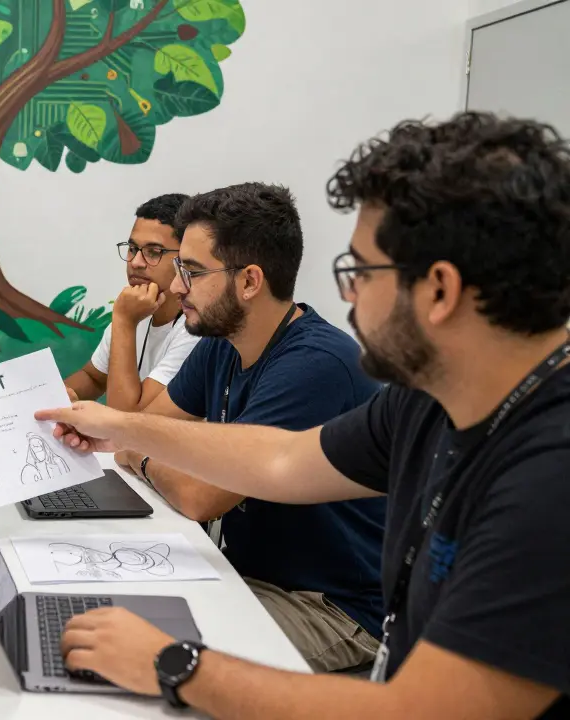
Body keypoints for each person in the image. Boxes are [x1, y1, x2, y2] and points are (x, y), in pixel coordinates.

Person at [40, 113, 570, 718]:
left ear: (440, 290)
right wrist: (121, 427)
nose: (347, 295)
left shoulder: (548, 478)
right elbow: (284, 458)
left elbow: (421, 712)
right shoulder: (426, 400)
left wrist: (175, 663)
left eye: (360, 273)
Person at [105, 183, 387, 673]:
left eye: (190, 272)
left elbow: (196, 494)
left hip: (330, 608)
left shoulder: (315, 364)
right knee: (108, 614)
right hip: (249, 578)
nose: (175, 288)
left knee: (148, 659)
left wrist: (142, 454)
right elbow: (136, 429)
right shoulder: (221, 342)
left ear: (250, 281)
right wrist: (136, 443)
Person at [64, 193, 200, 410]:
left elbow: (129, 418)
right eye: (133, 249)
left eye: (153, 252)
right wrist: (54, 398)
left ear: (186, 258)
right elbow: (93, 377)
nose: (136, 262)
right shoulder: (137, 309)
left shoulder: (198, 329)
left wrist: (125, 322)